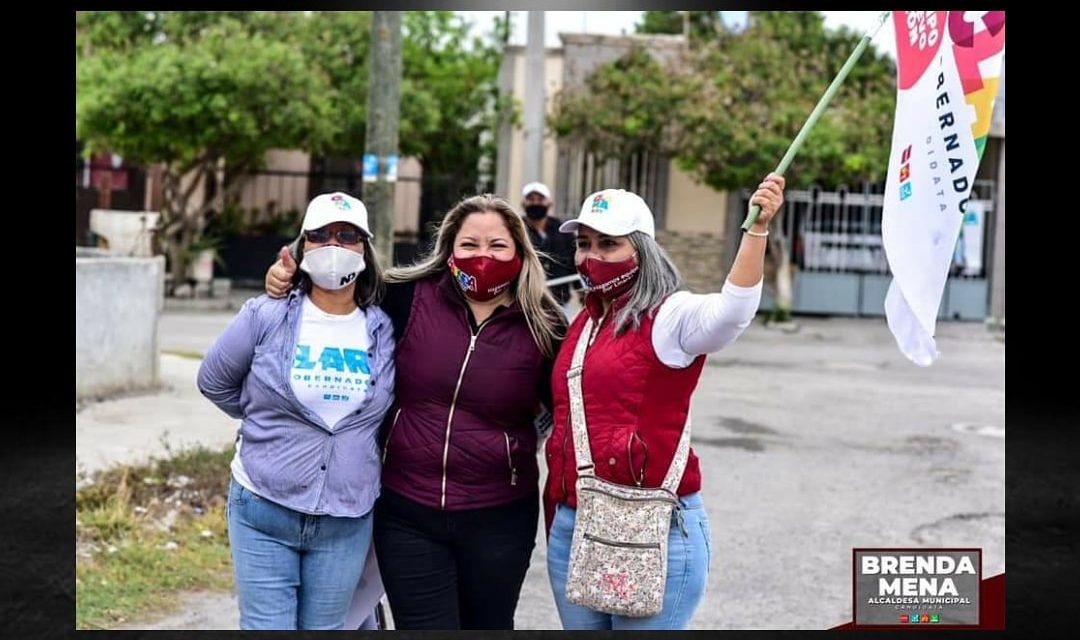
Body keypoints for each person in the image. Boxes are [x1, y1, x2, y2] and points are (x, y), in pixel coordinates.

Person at [265, 194, 567, 630]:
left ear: (519, 252)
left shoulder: (546, 324)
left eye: (497, 246)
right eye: (469, 245)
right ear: (448, 250)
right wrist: (282, 279)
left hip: (499, 516)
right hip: (409, 511)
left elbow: (572, 407)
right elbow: (330, 303)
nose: (483, 256)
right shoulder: (404, 297)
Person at [543, 174, 786, 630]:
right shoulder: (585, 322)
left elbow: (732, 313)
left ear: (642, 250)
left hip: (652, 528)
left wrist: (756, 231)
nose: (591, 256)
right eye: (584, 243)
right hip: (575, 524)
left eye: (608, 244)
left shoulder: (671, 316)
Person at [197, 192, 395, 629]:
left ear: (365, 248)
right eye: (320, 236)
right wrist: (265, 422)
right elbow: (212, 380)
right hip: (263, 506)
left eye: (347, 236)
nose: (333, 246)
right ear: (301, 246)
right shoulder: (266, 315)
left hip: (345, 518)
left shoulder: (384, 327)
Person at [521, 182, 579, 318]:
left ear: (549, 203)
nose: (535, 203)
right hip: (528, 302)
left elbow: (573, 260)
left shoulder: (562, 230)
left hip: (559, 301)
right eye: (531, 200)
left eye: (540, 199)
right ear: (524, 204)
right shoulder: (518, 230)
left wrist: (581, 289)